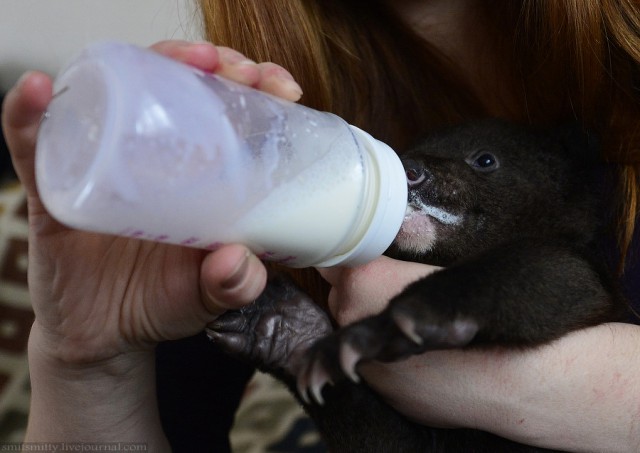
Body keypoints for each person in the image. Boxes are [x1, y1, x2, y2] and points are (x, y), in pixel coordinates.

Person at [1, 0, 639, 451]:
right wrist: (84, 364)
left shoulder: (563, 214)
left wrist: (585, 392)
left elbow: (553, 288)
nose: (419, 175)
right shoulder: (253, 160)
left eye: (481, 162)